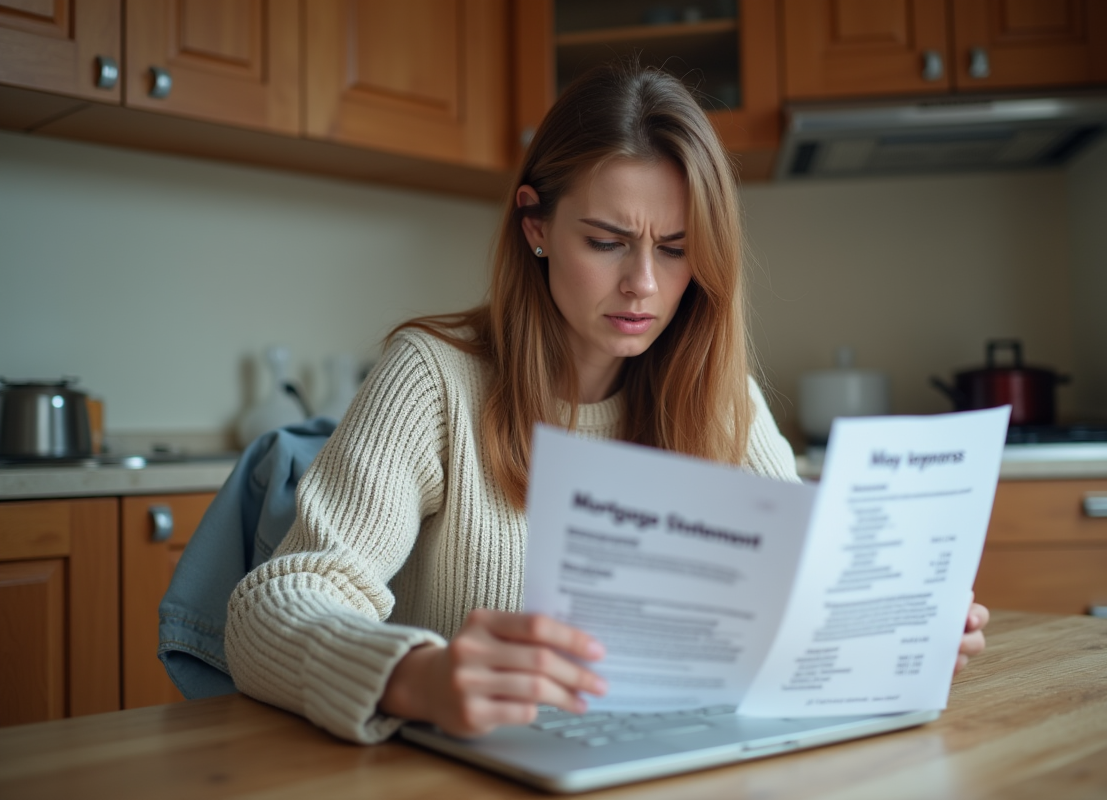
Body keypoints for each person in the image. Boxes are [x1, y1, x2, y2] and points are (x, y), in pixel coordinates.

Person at [225, 61, 989, 745]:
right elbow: (270, 611)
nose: (643, 287)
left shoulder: (721, 397)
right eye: (606, 240)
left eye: (676, 247)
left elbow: (800, 609)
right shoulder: (434, 381)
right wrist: (416, 677)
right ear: (536, 226)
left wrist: (891, 629)